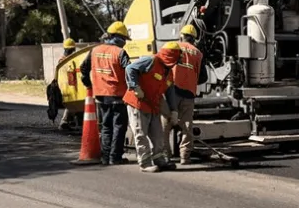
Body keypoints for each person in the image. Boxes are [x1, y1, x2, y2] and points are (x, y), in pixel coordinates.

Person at [124, 42, 181, 173]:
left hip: (153, 104)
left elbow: (169, 90)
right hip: (138, 102)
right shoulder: (150, 61)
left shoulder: (168, 71)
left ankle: (159, 160)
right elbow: (130, 68)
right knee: (141, 133)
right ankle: (144, 163)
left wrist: (174, 111)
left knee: (157, 134)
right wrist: (135, 86)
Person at [80, 22, 131, 165]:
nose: (125, 42)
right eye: (124, 39)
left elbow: (83, 68)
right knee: (119, 127)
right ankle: (115, 157)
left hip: (100, 95)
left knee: (106, 126)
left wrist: (88, 84)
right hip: (118, 95)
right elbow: (130, 71)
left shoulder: (95, 50)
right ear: (118, 37)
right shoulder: (120, 53)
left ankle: (105, 157)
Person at [161, 25, 208, 165]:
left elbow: (160, 65)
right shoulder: (198, 53)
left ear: (181, 35)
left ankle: (165, 156)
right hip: (189, 94)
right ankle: (184, 156)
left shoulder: (172, 46)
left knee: (165, 125)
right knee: (187, 126)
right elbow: (203, 77)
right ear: (194, 39)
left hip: (171, 92)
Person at [57, 38, 78, 131]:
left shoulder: (65, 60)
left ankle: (71, 120)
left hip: (68, 84)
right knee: (71, 103)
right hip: (67, 85)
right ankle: (64, 122)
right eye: (71, 50)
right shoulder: (64, 61)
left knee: (73, 103)